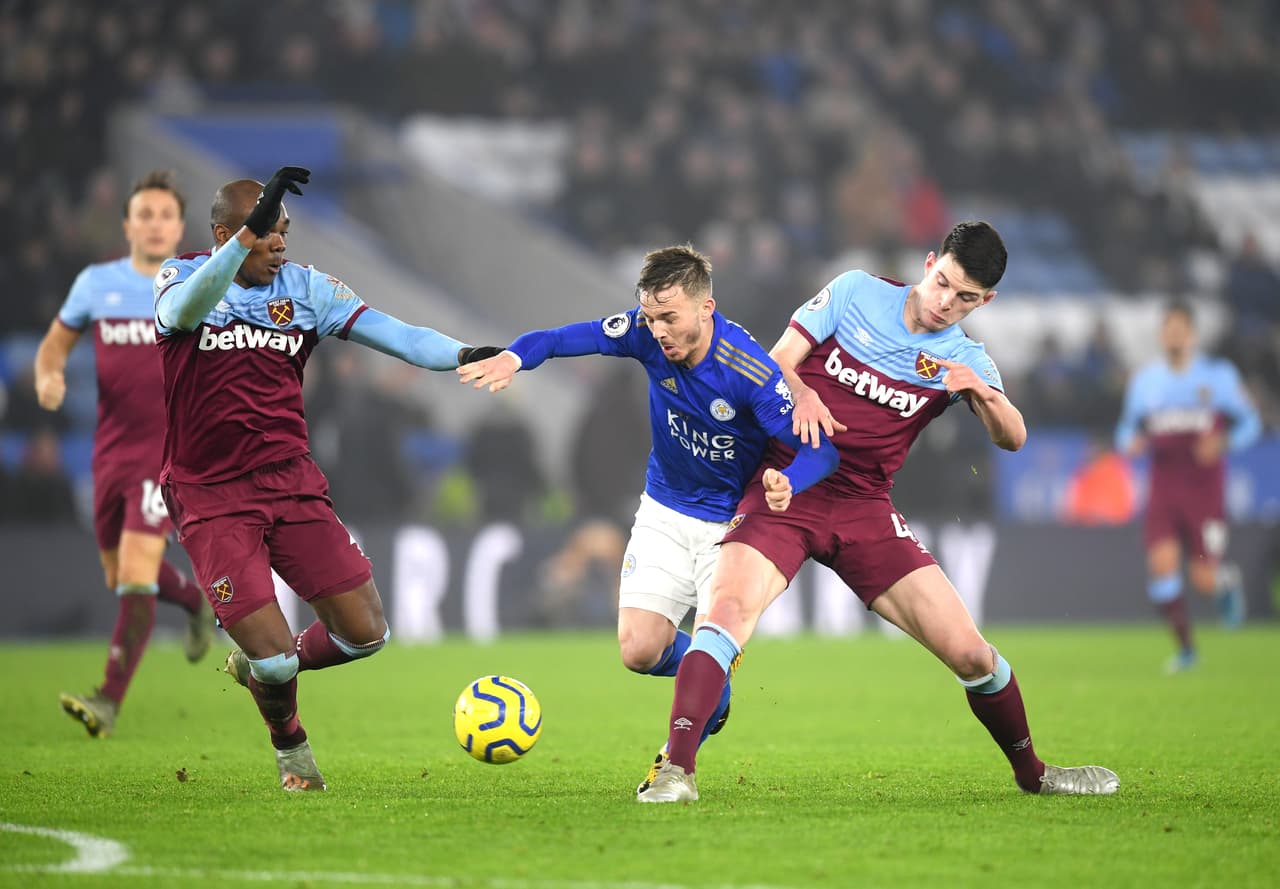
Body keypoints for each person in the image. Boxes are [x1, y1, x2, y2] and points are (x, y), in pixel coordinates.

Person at [638, 221, 1121, 803]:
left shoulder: (963, 358)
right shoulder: (855, 292)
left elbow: (1013, 437)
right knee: (726, 610)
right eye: (943, 282)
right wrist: (805, 393)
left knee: (972, 654)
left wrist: (984, 394)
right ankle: (677, 771)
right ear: (928, 263)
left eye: (965, 297)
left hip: (865, 507)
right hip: (786, 486)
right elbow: (774, 362)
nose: (947, 302)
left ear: (985, 300)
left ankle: (1035, 775)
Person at [153, 166, 502, 791]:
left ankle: (262, 669)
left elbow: (398, 335)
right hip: (210, 494)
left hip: (290, 482)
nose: (280, 243)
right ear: (223, 234)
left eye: (283, 230)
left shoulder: (307, 289)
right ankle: (292, 751)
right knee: (278, 655)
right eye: (264, 233)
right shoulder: (180, 277)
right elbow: (185, 310)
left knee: (367, 635)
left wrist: (462, 354)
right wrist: (239, 247)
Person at [458, 245, 840, 790]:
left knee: (712, 637)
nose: (657, 329)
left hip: (732, 527)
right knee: (638, 651)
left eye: (670, 317)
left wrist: (787, 482)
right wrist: (517, 357)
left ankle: (677, 762)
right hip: (662, 507)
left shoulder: (747, 370)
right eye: (651, 316)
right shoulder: (642, 332)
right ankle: (713, 687)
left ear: (706, 308)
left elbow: (822, 451)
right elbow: (564, 338)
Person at [33, 170, 215, 738]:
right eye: (146, 214)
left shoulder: (197, 282)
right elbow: (54, 347)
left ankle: (107, 701)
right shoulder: (97, 283)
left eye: (166, 215)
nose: (156, 224)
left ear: (179, 226)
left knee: (135, 576)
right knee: (120, 575)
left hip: (165, 452)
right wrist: (48, 379)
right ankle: (192, 600)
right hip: (108, 452)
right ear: (128, 224)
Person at [1115, 300, 1261, 673]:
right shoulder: (1147, 382)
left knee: (1203, 579)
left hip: (1204, 491)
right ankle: (1186, 650)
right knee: (1162, 569)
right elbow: (1126, 430)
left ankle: (1226, 582)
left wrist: (1224, 442)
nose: (1174, 335)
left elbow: (1251, 425)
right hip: (1164, 489)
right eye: (1169, 329)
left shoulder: (1217, 377)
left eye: (1181, 328)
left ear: (1192, 334)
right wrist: (1130, 443)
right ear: (1162, 335)